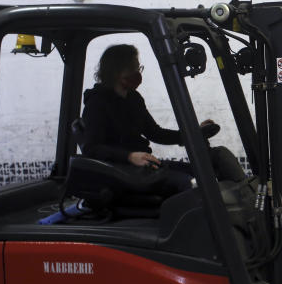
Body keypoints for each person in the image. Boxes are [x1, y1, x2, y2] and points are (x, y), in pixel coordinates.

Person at [79, 44, 223, 198]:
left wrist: (193, 133)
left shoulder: (133, 98)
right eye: (133, 68)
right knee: (189, 184)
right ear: (117, 71)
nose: (137, 73)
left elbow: (155, 133)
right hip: (121, 172)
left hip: (143, 167)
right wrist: (129, 156)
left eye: (138, 68)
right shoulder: (97, 103)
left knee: (202, 172)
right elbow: (91, 148)